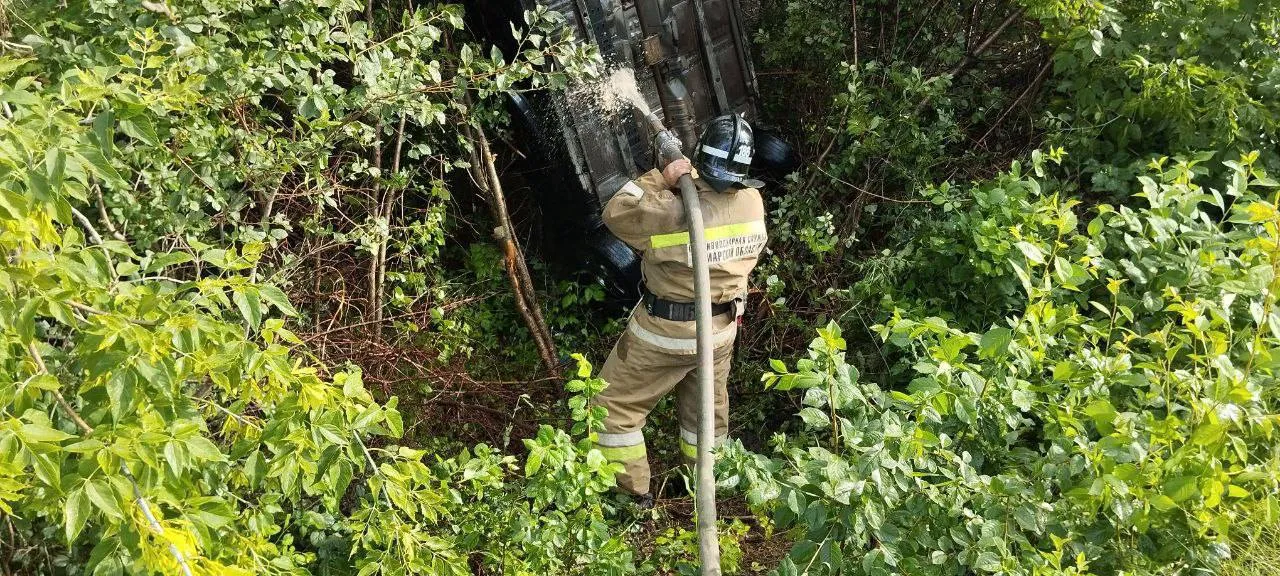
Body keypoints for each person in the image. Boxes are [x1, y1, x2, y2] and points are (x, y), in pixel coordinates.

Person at [591, 114, 767, 502]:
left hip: (664, 335)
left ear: (701, 156)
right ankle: (705, 491)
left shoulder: (671, 213)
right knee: (705, 418)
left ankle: (632, 499)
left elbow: (616, 210)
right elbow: (716, 201)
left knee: (612, 410)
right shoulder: (752, 203)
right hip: (719, 333)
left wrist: (663, 176)